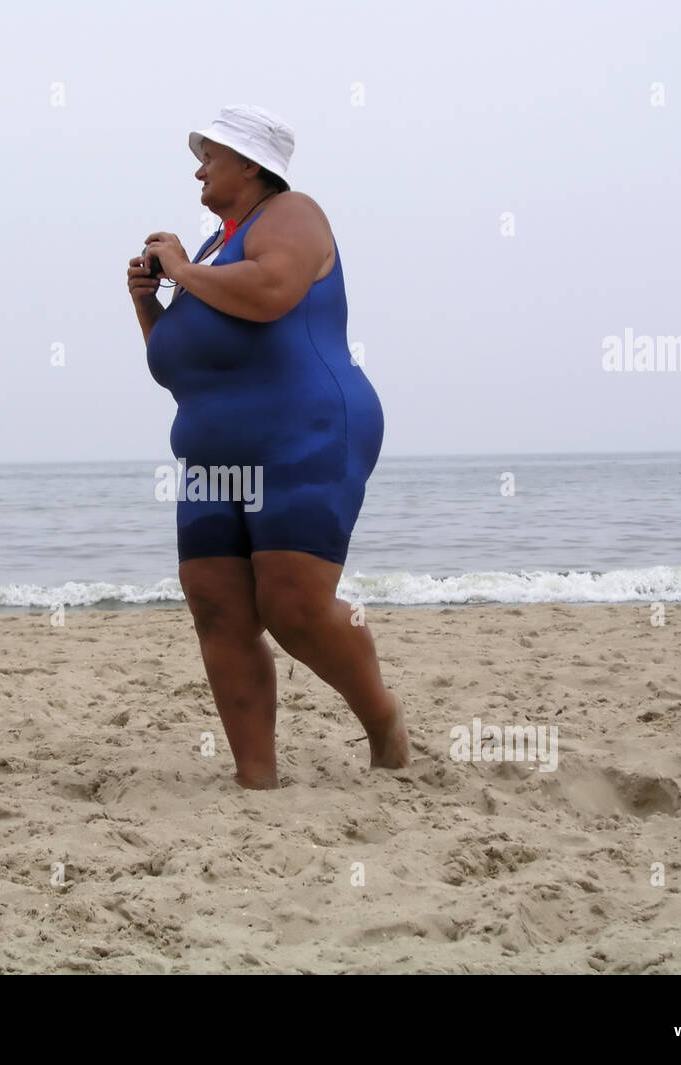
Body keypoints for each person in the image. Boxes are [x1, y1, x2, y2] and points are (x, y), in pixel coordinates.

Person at [132, 104, 408, 789]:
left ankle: (385, 727)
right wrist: (150, 300)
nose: (198, 167)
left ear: (251, 164)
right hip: (209, 455)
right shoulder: (210, 251)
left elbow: (273, 291)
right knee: (216, 603)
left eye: (210, 154)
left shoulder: (293, 215)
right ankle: (257, 778)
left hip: (305, 428)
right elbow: (183, 364)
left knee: (294, 607)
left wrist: (183, 272)